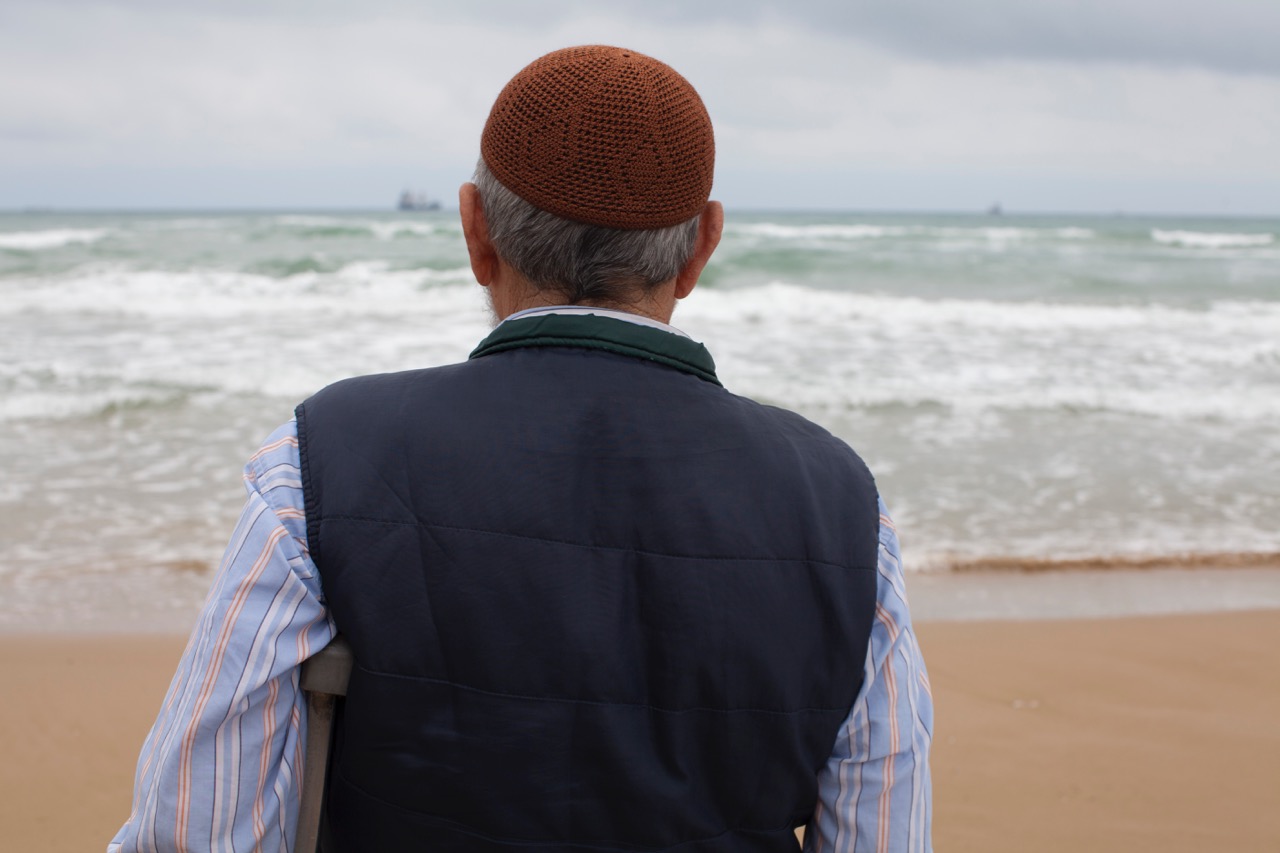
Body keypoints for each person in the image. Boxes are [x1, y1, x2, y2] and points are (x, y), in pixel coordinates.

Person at [111, 45, 932, 853]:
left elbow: (194, 829)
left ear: (475, 231)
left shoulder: (319, 459)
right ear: (699, 249)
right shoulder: (844, 508)